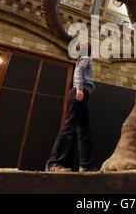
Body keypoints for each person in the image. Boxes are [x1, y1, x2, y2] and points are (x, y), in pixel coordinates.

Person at [46, 43, 96, 172]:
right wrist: (79, 89)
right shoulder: (86, 58)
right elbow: (78, 72)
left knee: (84, 131)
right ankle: (54, 163)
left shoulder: (82, 59)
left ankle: (86, 165)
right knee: (69, 127)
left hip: (83, 94)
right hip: (80, 92)